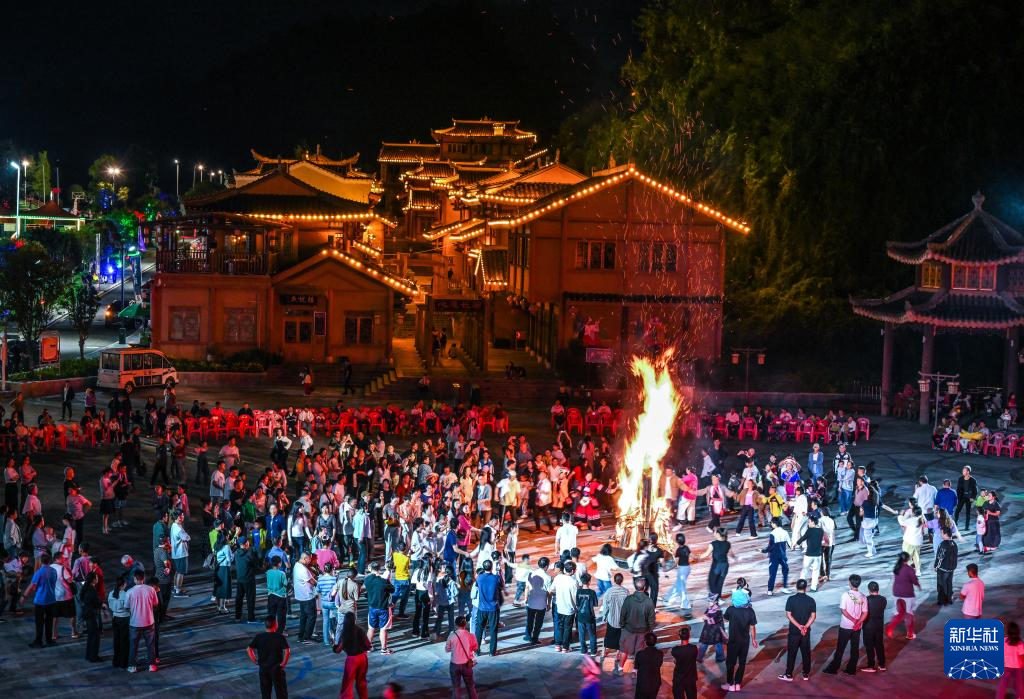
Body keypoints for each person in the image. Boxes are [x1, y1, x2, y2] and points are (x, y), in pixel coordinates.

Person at [823, 574, 867, 676]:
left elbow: (843, 610)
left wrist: (853, 620)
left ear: (850, 583)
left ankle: (833, 669)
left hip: (846, 626)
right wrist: (858, 622)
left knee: (840, 648)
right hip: (857, 627)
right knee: (855, 648)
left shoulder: (845, 595)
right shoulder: (863, 597)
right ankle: (851, 669)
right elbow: (865, 612)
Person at [778, 578, 816, 681]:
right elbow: (813, 616)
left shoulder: (791, 599)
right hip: (805, 632)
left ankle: (789, 675)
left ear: (796, 587)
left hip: (794, 631)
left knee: (792, 653)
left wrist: (799, 626)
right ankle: (806, 674)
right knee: (806, 653)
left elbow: (789, 615)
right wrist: (805, 627)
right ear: (806, 588)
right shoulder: (811, 600)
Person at [618, 577, 657, 675]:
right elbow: (651, 618)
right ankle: (635, 671)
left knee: (624, 650)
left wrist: (622, 625)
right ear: (644, 587)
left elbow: (623, 614)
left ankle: (620, 669)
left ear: (635, 587)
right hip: (643, 631)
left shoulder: (629, 599)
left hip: (628, 629)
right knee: (639, 652)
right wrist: (651, 630)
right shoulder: (649, 601)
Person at [723, 587, 758, 692]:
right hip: (745, 641)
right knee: (742, 662)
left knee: (730, 663)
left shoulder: (731, 609)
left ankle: (730, 684)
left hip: (733, 641)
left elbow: (725, 619)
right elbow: (752, 627)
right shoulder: (750, 611)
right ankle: (738, 683)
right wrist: (754, 639)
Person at [248, 615, 290, 699]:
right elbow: (287, 651)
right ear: (275, 625)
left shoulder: (259, 636)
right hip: (276, 668)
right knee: (281, 692)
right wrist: (283, 663)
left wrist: (255, 660)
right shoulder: (279, 637)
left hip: (263, 668)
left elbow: (249, 649)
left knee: (265, 693)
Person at [125, 569, 159, 672]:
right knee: (150, 645)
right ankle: (152, 665)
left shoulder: (129, 592)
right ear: (143, 578)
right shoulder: (151, 590)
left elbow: (126, 606)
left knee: (133, 646)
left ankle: (132, 666)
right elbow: (155, 603)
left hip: (135, 623)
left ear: (135, 579)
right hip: (149, 621)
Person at [22, 551, 57, 647]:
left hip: (40, 600)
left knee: (39, 622)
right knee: (49, 621)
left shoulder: (39, 572)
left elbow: (32, 586)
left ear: (41, 561)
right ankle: (49, 640)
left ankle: (38, 641)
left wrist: (24, 597)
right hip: (51, 599)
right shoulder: (54, 571)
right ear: (50, 561)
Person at [334, 611, 371, 699]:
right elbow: (368, 645)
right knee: (361, 680)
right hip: (363, 657)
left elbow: (338, 649)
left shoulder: (345, 632)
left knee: (348, 682)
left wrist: (334, 647)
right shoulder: (360, 629)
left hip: (352, 660)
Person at [885, 552, 920, 640]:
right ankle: (910, 634)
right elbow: (914, 581)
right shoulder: (909, 569)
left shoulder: (896, 567)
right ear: (907, 559)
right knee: (909, 613)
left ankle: (890, 628)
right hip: (907, 594)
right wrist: (918, 585)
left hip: (896, 593)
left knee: (900, 613)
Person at [364, 561, 395, 654]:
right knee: (383, 628)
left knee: (371, 628)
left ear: (370, 569)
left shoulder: (367, 579)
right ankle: (384, 649)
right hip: (383, 608)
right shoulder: (383, 581)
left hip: (372, 607)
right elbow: (392, 590)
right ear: (380, 568)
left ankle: (368, 647)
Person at [474, 559, 504, 656]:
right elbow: (502, 586)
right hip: (493, 608)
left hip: (482, 608)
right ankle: (492, 652)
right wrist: (500, 573)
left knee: (479, 629)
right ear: (492, 567)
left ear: (483, 567)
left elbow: (477, 586)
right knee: (493, 630)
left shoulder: (479, 578)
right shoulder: (496, 578)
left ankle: (476, 651)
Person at [446, 615, 479, 699]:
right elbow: (475, 648)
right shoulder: (471, 635)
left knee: (456, 688)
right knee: (470, 686)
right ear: (465, 624)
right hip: (467, 664)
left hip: (454, 664)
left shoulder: (452, 636)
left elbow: (447, 649)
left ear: (456, 624)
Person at [861, 580, 887, 672]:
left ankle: (871, 666)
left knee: (869, 646)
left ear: (869, 590)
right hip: (879, 626)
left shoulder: (866, 600)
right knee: (879, 645)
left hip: (868, 626)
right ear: (878, 589)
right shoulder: (883, 599)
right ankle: (882, 665)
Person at [699, 528, 734, 596]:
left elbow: (706, 554)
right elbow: (731, 554)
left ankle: (714, 598)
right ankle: (718, 597)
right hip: (725, 566)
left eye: (715, 532)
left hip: (716, 566)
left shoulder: (713, 544)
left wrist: (697, 557)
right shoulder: (728, 543)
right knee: (720, 583)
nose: (714, 533)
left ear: (718, 534)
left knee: (712, 582)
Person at [293, 551, 318, 644]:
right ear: (305, 558)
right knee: (312, 617)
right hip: (307, 596)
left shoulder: (297, 565)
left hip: (301, 596)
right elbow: (312, 581)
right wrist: (319, 583)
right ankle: (307, 637)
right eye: (309, 558)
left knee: (303, 617)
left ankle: (301, 636)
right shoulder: (303, 569)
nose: (310, 560)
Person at [763, 518, 792, 596]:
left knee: (773, 573)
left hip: (774, 556)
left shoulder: (773, 533)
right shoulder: (785, 532)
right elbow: (790, 545)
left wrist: (763, 551)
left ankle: (770, 590)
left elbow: (770, 547)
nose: (771, 524)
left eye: (772, 523)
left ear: (775, 524)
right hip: (782, 556)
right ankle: (785, 587)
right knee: (785, 571)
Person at [664, 533, 692, 611]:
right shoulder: (686, 548)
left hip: (682, 569)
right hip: (687, 568)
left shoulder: (678, 550)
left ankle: (686, 604)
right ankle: (668, 597)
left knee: (682, 587)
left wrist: (667, 569)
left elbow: (675, 564)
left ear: (677, 541)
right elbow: (691, 556)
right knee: (678, 584)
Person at [795, 517, 824, 592]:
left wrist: (796, 544)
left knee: (804, 571)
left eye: (809, 522)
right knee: (815, 572)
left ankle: (801, 586)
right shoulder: (821, 530)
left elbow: (803, 538)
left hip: (809, 554)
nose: (808, 523)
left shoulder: (810, 530)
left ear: (813, 522)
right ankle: (813, 588)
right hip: (818, 555)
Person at [672, 626, 700, 699]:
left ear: (679, 636)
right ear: (689, 636)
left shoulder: (675, 650)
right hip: (691, 678)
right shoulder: (694, 648)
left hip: (679, 678)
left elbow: (675, 661)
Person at [634, 631, 664, 699]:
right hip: (655, 683)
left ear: (645, 642)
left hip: (643, 683)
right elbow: (659, 664)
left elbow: (636, 667)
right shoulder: (660, 654)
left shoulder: (640, 654)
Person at [576, 572, 600, 656]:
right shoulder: (592, 592)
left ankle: (583, 650)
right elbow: (595, 604)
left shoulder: (578, 591)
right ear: (589, 581)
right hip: (590, 616)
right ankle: (593, 651)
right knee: (592, 634)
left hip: (580, 616)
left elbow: (577, 604)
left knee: (581, 634)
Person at [999, 621, 1024, 699]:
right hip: (1018, 667)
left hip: (1007, 666)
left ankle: (999, 697)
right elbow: (1022, 655)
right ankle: (1020, 697)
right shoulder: (1019, 643)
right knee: (1018, 684)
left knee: (1003, 684)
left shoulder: (1004, 640)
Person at [934, 528, 958, 606]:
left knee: (941, 585)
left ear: (946, 534)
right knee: (949, 584)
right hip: (951, 568)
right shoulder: (954, 543)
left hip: (943, 568)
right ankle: (949, 599)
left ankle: (942, 600)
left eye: (942, 533)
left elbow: (940, 557)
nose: (941, 534)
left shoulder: (943, 544)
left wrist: (936, 566)